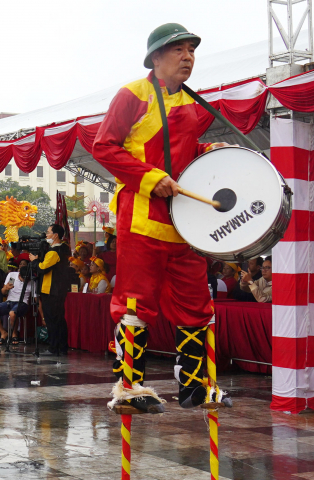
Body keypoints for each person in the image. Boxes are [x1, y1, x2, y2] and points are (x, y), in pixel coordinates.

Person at [92, 23, 236, 413]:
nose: (188, 57)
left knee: (197, 306)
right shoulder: (133, 95)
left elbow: (178, 151)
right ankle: (129, 387)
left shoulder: (190, 101)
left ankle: (194, 386)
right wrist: (150, 177)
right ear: (156, 57)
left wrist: (209, 148)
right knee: (136, 305)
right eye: (179, 50)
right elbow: (103, 146)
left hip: (186, 223)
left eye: (192, 50)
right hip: (142, 219)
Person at [29, 224, 72, 355]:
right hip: (55, 290)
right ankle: (61, 347)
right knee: (57, 319)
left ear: (55, 235)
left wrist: (35, 261)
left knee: (52, 320)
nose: (46, 235)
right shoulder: (61, 249)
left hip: (52, 290)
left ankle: (55, 347)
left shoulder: (55, 252)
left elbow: (42, 268)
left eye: (48, 233)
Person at [0, 266, 33, 345]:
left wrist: (42, 316)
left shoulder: (32, 282)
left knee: (12, 313)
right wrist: (6, 288)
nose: (25, 280)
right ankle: (3, 332)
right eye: (23, 279)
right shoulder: (12, 276)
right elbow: (3, 292)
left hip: (23, 303)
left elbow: (37, 299)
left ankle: (14, 334)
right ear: (19, 275)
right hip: (9, 301)